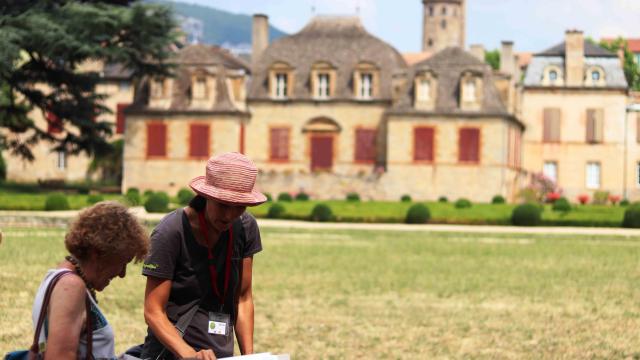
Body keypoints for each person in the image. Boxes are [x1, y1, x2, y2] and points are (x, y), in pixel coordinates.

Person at [141, 152, 267, 360]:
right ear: (206, 196)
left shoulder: (246, 227)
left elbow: (243, 299)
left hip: (221, 354)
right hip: (172, 354)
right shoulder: (171, 232)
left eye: (239, 207)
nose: (229, 216)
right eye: (223, 205)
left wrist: (248, 357)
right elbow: (153, 311)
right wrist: (189, 355)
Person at [30, 201, 149, 359]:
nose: (122, 274)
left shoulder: (59, 275)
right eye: (122, 262)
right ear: (98, 253)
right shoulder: (71, 287)